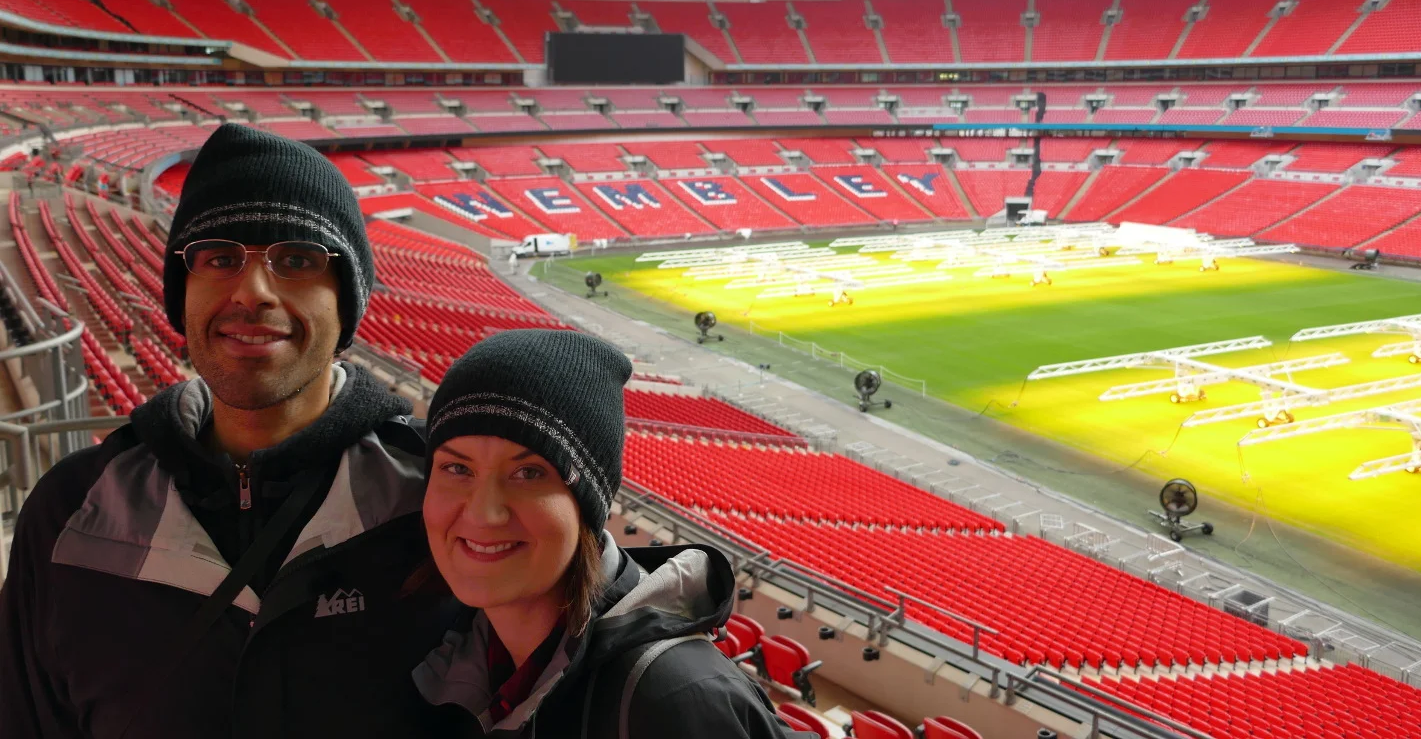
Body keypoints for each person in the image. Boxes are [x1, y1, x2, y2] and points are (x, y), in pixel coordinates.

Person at [0, 123, 451, 738]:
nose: (253, 291)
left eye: (296, 259)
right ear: (181, 293)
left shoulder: (443, 498)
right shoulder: (68, 515)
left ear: (346, 299)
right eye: (219, 257)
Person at [413, 329, 814, 738]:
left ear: (587, 506)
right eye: (457, 468)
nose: (484, 513)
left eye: (529, 473)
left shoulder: (673, 699)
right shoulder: (451, 644)